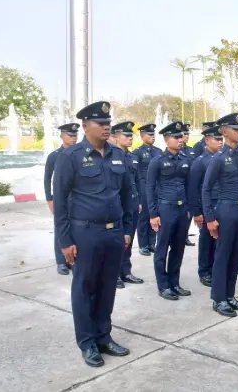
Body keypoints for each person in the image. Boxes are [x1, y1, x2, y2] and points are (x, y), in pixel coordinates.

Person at [53, 101, 133, 367]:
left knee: (107, 287)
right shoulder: (71, 156)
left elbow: (127, 195)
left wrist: (127, 230)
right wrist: (65, 241)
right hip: (85, 233)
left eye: (108, 123)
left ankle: (103, 336)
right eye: (101, 123)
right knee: (84, 288)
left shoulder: (118, 154)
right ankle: (87, 343)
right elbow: (60, 202)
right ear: (86, 126)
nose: (106, 127)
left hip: (114, 233)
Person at [202, 113, 238, 317]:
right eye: (235, 129)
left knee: (236, 255)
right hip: (226, 210)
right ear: (224, 132)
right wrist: (210, 218)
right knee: (222, 255)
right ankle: (219, 298)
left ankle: (230, 295)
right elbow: (206, 189)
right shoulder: (219, 158)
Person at [146, 121, 192, 301]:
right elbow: (149, 188)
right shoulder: (157, 161)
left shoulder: (185, 160)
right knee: (162, 248)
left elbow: (189, 186)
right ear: (166, 139)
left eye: (181, 137)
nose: (180, 140)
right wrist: (153, 214)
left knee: (178, 247)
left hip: (182, 209)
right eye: (176, 137)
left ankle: (174, 282)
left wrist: (189, 208)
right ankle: (163, 285)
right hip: (165, 208)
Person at [188, 125, 223, 287]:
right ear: (207, 141)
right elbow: (193, 189)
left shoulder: (222, 158)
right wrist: (197, 212)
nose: (220, 142)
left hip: (221, 204)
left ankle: (216, 268)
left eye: (221, 139)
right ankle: (204, 271)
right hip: (207, 206)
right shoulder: (200, 162)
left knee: (219, 241)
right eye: (217, 139)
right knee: (206, 241)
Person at [111, 121, 144, 288]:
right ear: (116, 137)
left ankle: (126, 271)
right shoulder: (111, 156)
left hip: (132, 202)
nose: (130, 138)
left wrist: (138, 200)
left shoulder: (133, 157)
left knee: (129, 238)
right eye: (126, 136)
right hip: (117, 203)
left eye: (131, 136)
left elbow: (137, 181)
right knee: (117, 240)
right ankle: (114, 274)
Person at [44, 122, 79, 275]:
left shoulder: (79, 154)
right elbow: (47, 179)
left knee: (76, 227)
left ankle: (73, 259)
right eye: (70, 135)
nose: (73, 138)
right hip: (61, 197)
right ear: (62, 136)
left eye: (75, 135)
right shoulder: (55, 156)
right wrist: (50, 199)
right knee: (60, 227)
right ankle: (61, 262)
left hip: (77, 197)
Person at [133, 124, 162, 256]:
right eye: (150, 135)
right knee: (144, 217)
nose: (152, 137)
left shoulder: (158, 151)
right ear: (142, 136)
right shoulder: (137, 153)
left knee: (154, 214)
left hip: (156, 187)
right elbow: (137, 174)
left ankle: (151, 243)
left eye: (153, 134)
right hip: (144, 187)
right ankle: (143, 244)